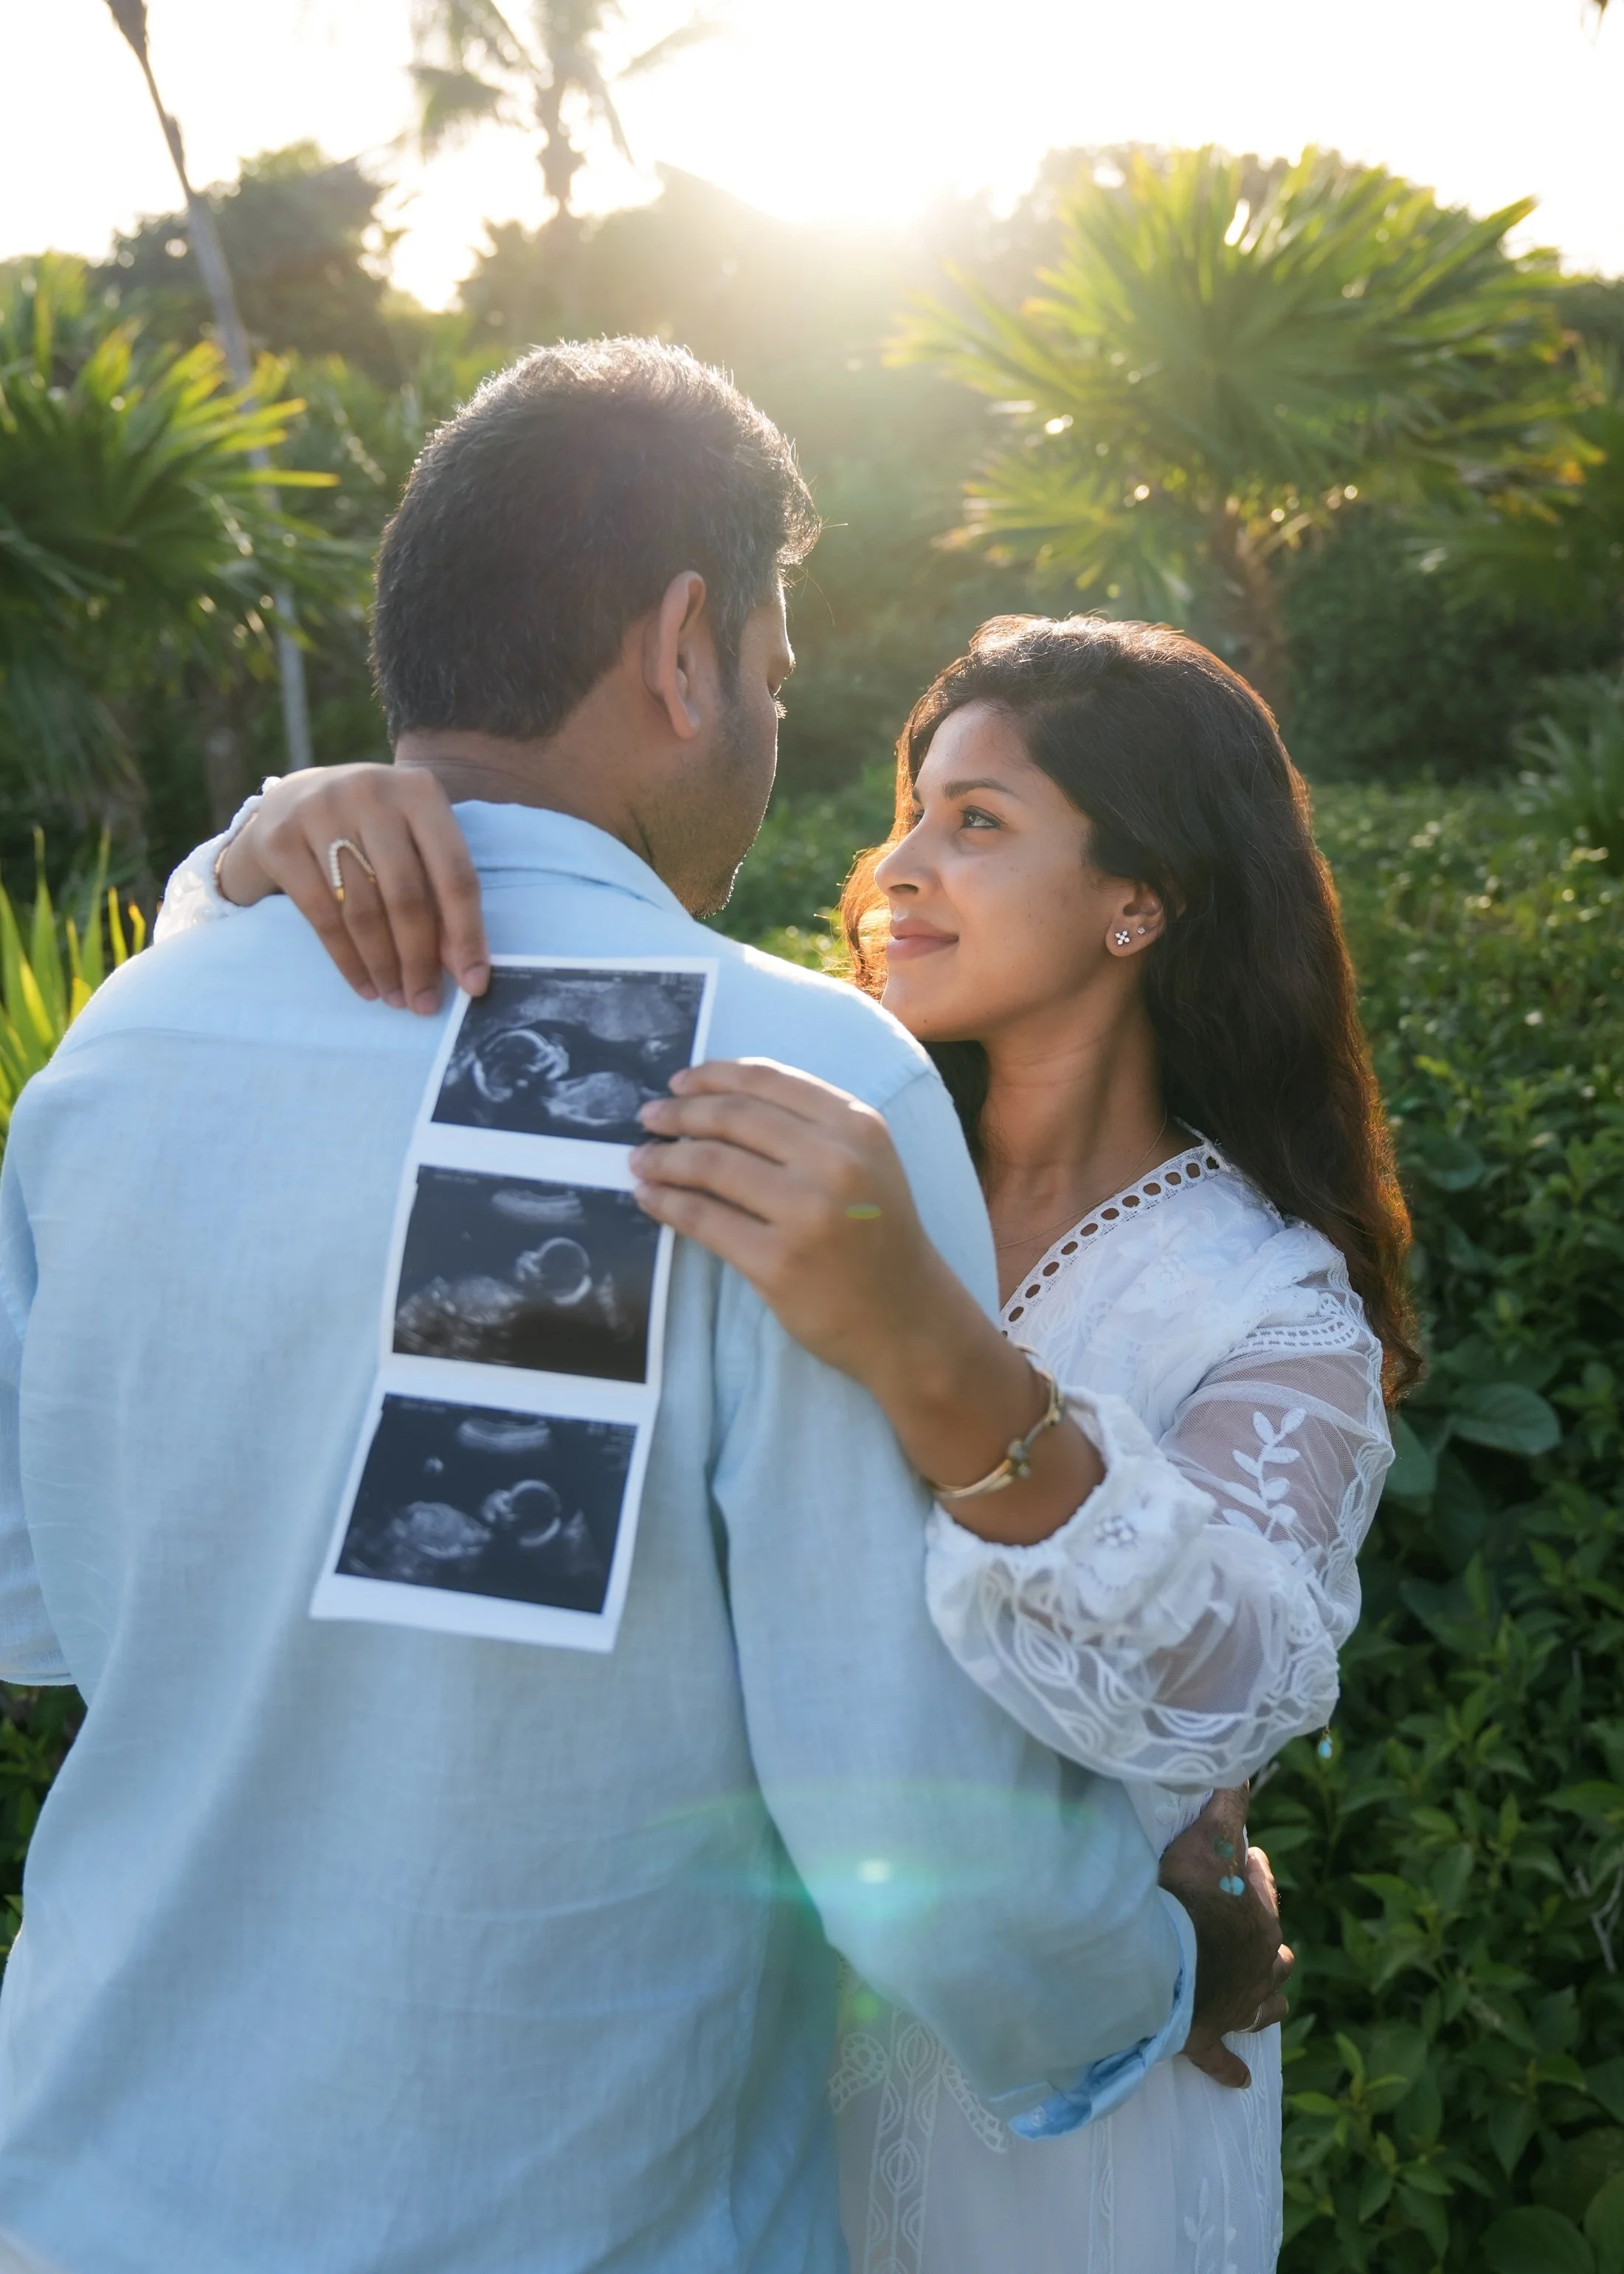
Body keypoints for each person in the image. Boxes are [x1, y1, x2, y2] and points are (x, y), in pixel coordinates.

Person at [0, 345, 1283, 2274]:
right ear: (685, 650)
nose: (771, 732)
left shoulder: (124, 1042)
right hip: (564, 2221)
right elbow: (909, 1836)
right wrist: (1164, 1964)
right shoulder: (772, 1084)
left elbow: (32, 1600)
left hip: (84, 2189)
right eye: (772, 673)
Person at [159, 607, 1408, 2270]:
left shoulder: (1259, 1297)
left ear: (1142, 897)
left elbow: (1231, 1683)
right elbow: (477, 1502)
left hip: (1061, 2104)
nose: (898, 866)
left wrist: (933, 1354)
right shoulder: (768, 1125)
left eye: (976, 820)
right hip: (709, 2066)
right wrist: (269, 846)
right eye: (909, 811)